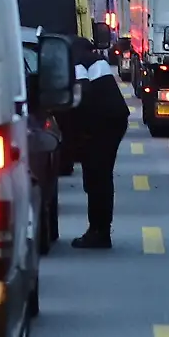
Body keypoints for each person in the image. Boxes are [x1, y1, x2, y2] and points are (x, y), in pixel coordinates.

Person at [57, 37, 131, 250]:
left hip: (101, 124)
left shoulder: (77, 62)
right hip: (114, 121)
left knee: (97, 176)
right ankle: (100, 229)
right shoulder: (96, 60)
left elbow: (81, 95)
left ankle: (98, 232)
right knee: (100, 175)